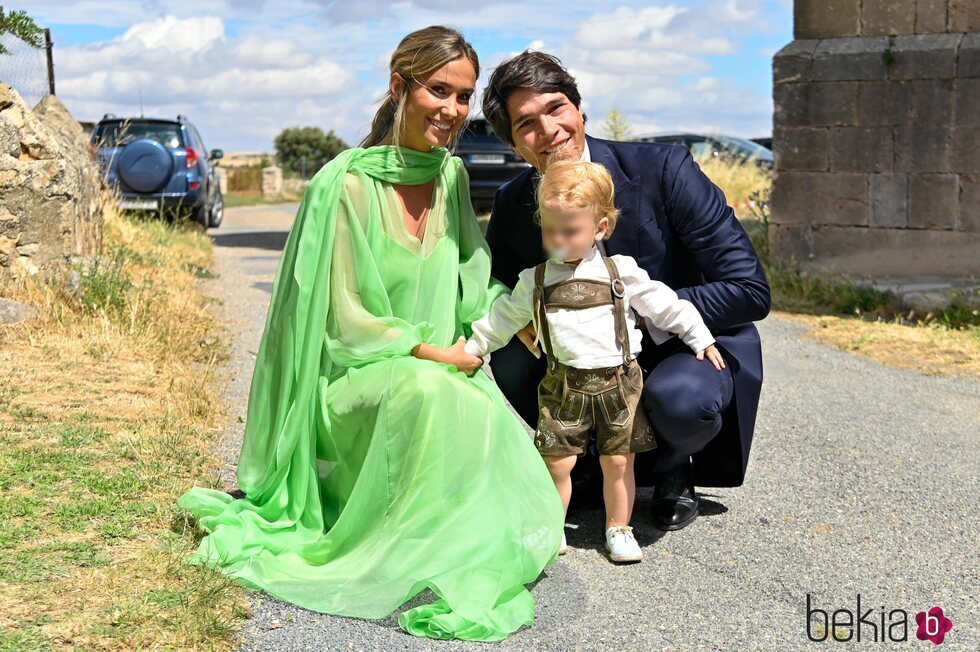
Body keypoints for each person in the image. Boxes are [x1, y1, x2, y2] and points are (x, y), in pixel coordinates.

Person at [175, 26, 564, 643]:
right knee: (435, 393)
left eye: (463, 96)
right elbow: (344, 316)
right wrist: (429, 350)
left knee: (464, 402)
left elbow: (474, 276)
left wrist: (522, 319)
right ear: (398, 87)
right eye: (439, 90)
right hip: (354, 380)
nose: (453, 111)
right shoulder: (345, 182)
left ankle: (438, 539)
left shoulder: (451, 178)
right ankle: (401, 544)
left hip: (436, 368)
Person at [481, 51, 771, 531]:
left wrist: (629, 314)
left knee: (681, 401)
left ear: (578, 109)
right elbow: (498, 288)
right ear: (515, 145)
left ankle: (672, 465)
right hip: (582, 366)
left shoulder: (665, 168)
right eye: (526, 123)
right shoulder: (514, 203)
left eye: (556, 108)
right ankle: (588, 459)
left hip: (676, 347)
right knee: (510, 350)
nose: (548, 129)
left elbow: (749, 289)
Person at [463, 159, 724, 563]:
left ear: (600, 228)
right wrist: (473, 348)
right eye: (551, 231)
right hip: (563, 385)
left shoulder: (619, 273)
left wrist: (698, 337)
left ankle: (618, 528)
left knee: (618, 461)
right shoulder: (535, 279)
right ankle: (551, 526)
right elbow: (502, 319)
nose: (560, 241)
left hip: (619, 383)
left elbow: (666, 305)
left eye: (571, 232)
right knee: (557, 462)